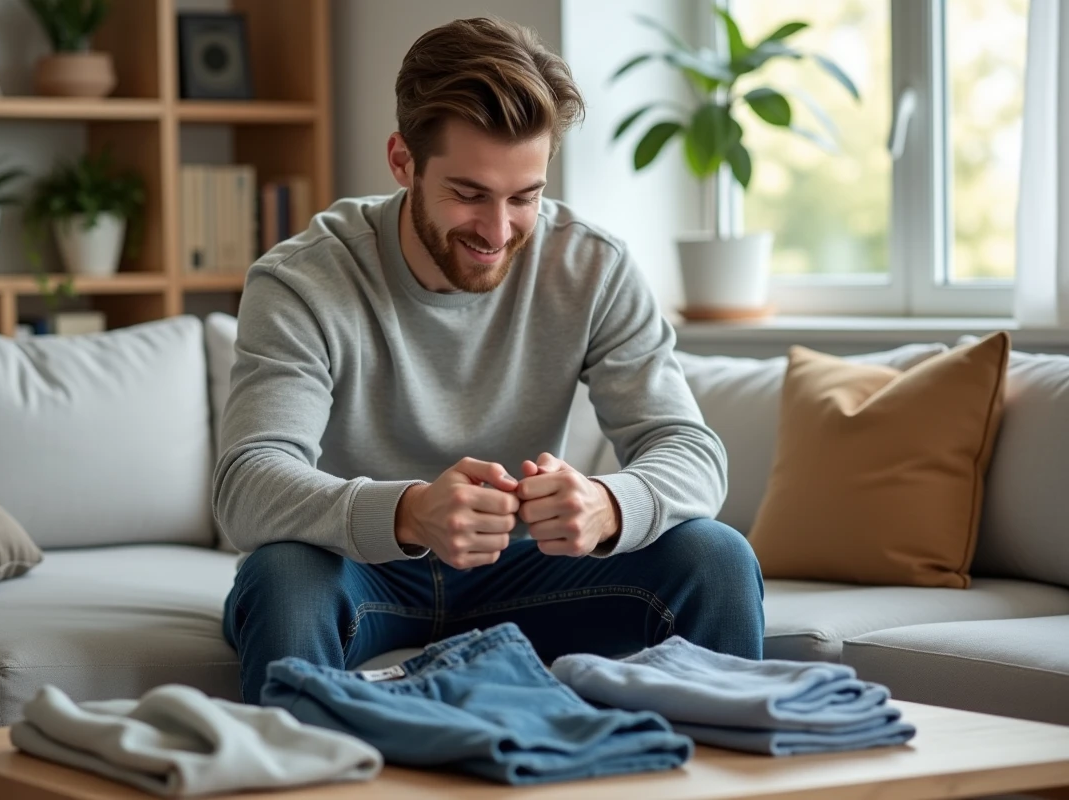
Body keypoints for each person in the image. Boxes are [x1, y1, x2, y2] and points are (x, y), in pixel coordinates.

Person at [216, 16, 764, 705]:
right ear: (402, 161)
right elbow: (247, 485)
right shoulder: (304, 280)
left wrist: (607, 504)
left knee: (716, 557)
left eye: (524, 197)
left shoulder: (591, 265)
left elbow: (690, 450)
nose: (499, 231)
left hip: (533, 570)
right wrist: (410, 512)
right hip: (364, 570)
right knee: (284, 576)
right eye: (469, 194)